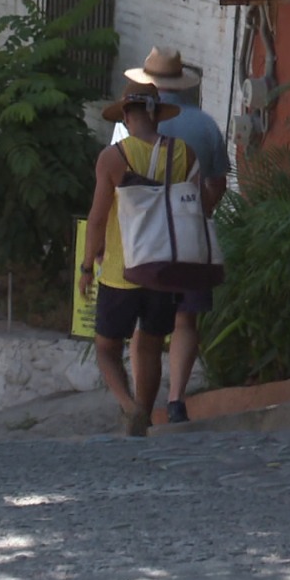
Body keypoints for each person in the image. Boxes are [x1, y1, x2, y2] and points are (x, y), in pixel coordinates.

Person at [111, 48, 229, 424]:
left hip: (145, 243)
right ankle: (176, 398)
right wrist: (198, 210)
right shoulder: (206, 125)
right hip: (188, 237)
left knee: (145, 331)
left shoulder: (128, 124)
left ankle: (140, 408)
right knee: (186, 321)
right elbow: (217, 183)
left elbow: (114, 183)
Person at [80, 81, 196, 436]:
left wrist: (87, 267)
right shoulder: (184, 153)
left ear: (127, 116)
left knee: (106, 349)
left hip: (120, 270)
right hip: (164, 269)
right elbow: (195, 207)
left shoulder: (114, 158)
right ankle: (142, 421)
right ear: (156, 115)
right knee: (148, 345)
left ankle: (130, 408)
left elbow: (98, 218)